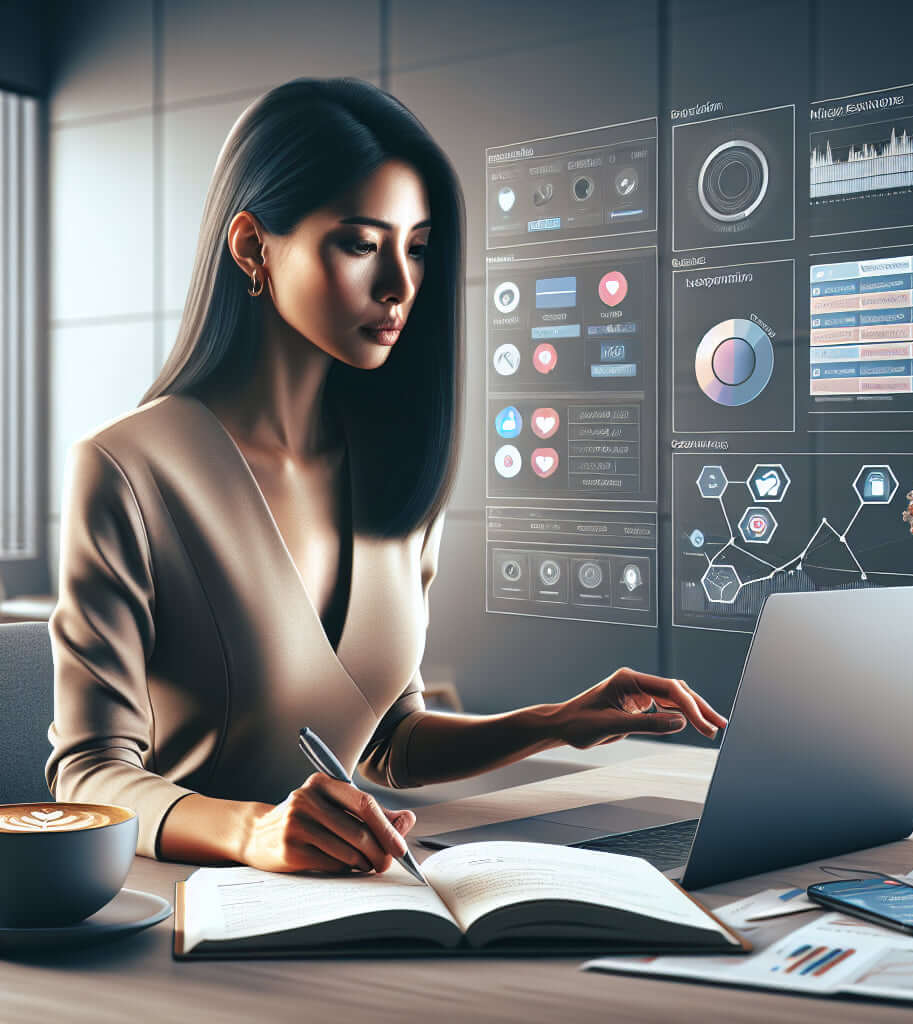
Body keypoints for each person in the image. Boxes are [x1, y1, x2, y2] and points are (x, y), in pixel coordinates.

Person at [45, 77, 727, 877]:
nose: (400, 286)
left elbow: (388, 740)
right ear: (252, 247)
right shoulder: (128, 470)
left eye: (418, 247)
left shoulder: (394, 466)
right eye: (362, 244)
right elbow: (86, 778)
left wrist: (554, 722)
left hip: (341, 892)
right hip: (188, 904)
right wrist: (253, 833)